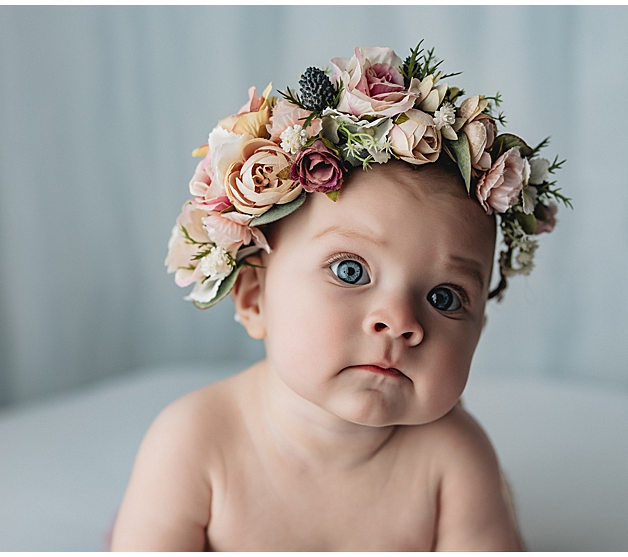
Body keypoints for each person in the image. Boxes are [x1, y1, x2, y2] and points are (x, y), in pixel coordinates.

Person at [111, 44, 567, 550]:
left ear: (479, 330)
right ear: (253, 297)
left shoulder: (455, 460)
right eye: (351, 271)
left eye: (444, 297)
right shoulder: (193, 444)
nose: (399, 322)